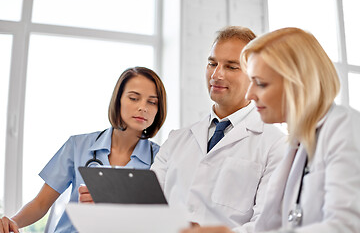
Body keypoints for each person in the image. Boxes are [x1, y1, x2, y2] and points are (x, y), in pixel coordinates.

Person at [181, 27, 360, 233]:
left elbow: (347, 226)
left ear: (297, 84)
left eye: (261, 83)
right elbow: (267, 227)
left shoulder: (344, 127)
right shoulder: (296, 147)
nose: (250, 94)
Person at [150, 26, 287, 230]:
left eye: (231, 67)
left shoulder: (276, 144)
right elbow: (146, 207)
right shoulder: (177, 139)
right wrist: (105, 204)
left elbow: (268, 224)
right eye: (212, 63)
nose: (216, 74)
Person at [0, 66, 167, 233]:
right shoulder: (77, 146)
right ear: (118, 100)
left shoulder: (162, 159)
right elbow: (40, 204)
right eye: (134, 98)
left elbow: (161, 221)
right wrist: (12, 222)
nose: (143, 107)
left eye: (152, 102)